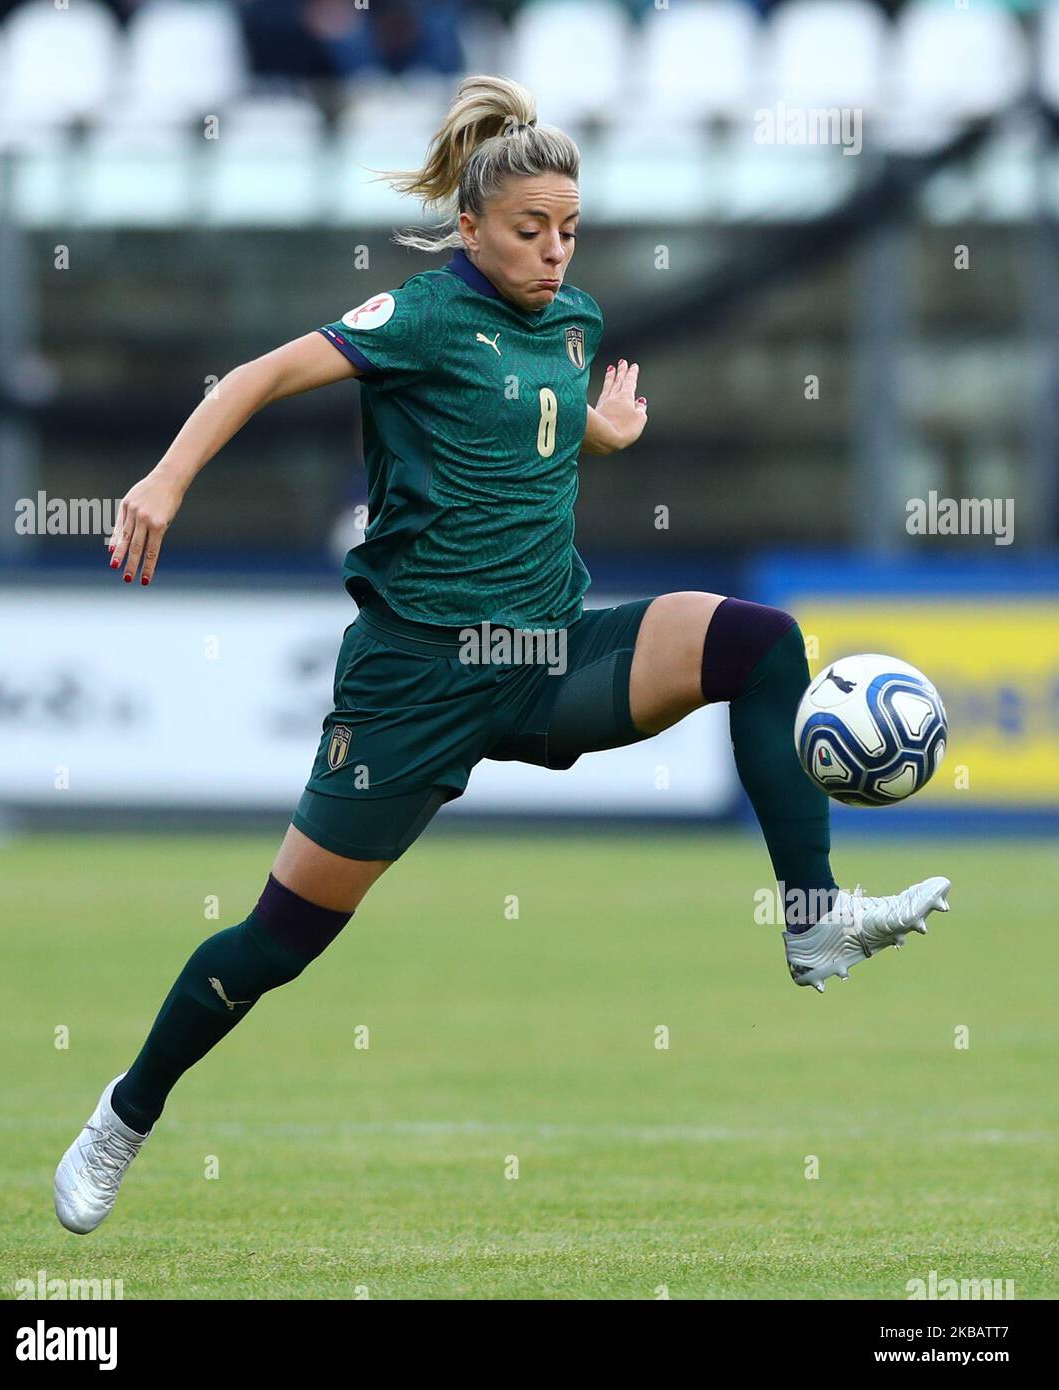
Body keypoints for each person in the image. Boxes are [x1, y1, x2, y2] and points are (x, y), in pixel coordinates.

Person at [54, 75, 950, 1236]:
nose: (554, 251)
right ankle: (124, 1114)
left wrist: (596, 428)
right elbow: (263, 375)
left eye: (570, 230)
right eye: (531, 230)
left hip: (544, 654)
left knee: (758, 641)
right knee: (278, 942)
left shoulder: (573, 324)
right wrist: (166, 478)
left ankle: (810, 912)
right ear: (471, 226)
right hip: (413, 685)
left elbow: (523, 411)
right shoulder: (419, 318)